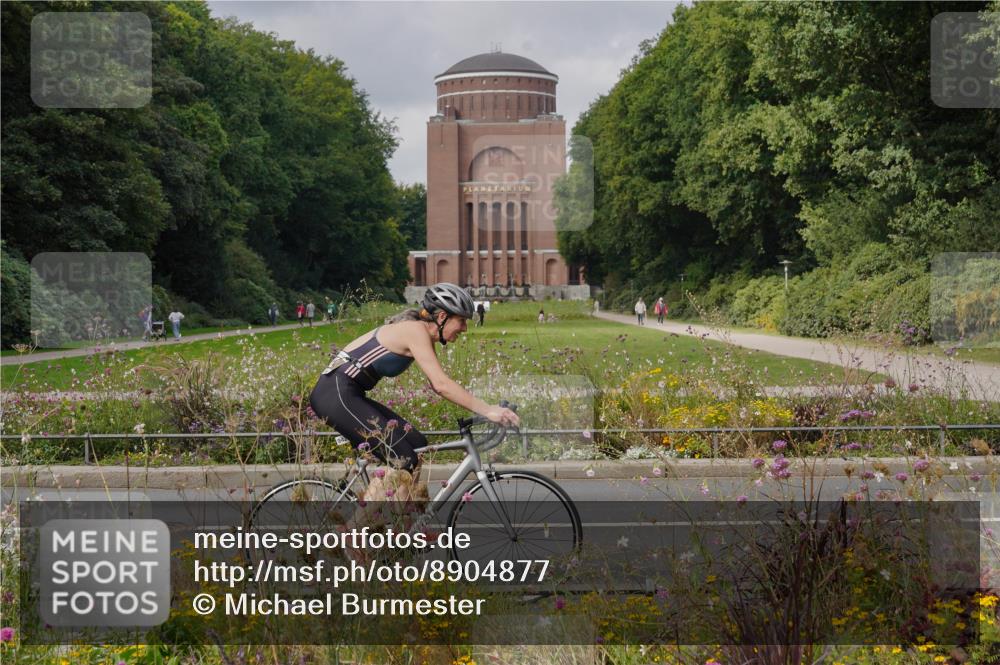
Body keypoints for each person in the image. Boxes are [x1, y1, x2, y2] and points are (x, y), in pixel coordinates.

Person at [309, 283, 519, 472]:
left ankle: (403, 512)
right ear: (442, 317)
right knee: (404, 460)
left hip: (347, 393)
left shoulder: (421, 333)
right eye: (461, 320)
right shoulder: (415, 331)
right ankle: (371, 515)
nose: (465, 328)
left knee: (417, 445)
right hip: (335, 394)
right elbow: (441, 385)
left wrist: (486, 408)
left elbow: (439, 382)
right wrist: (488, 409)